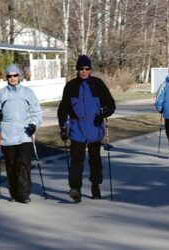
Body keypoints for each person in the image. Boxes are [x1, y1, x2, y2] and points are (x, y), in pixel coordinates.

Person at [58, 55, 115, 203]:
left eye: (87, 69)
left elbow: (111, 104)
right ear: (77, 69)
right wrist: (63, 127)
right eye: (81, 69)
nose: (84, 71)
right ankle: (75, 189)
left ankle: (95, 185)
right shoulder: (71, 86)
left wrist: (104, 113)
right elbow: (63, 109)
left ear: (90, 70)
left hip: (95, 129)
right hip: (77, 130)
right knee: (76, 161)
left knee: (95, 161)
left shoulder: (97, 84)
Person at [0, 64, 42, 203]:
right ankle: (14, 193)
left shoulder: (28, 92)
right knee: (11, 165)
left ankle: (24, 194)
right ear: (7, 77)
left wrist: (33, 125)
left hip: (25, 134)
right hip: (8, 135)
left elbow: (37, 112)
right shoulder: (2, 93)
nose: (12, 78)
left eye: (15, 75)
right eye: (9, 76)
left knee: (23, 164)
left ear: (19, 76)